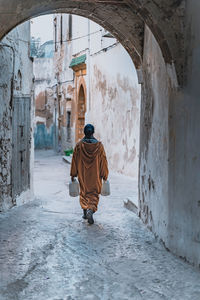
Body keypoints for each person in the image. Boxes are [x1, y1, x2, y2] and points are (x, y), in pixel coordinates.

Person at [70, 124, 109, 224]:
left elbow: (74, 160)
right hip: (95, 176)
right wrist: (104, 175)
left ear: (84, 132)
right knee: (94, 194)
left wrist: (73, 174)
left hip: (83, 175)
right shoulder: (99, 146)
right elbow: (103, 161)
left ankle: (85, 212)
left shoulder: (79, 146)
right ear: (93, 132)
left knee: (84, 193)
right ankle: (90, 210)